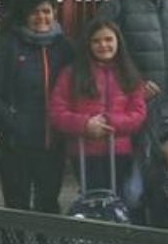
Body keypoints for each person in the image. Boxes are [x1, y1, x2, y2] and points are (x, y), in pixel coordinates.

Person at [0, 0, 73, 244]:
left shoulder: (64, 47)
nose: (42, 17)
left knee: (48, 207)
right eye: (35, 12)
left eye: (47, 10)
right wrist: (12, 125)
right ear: (24, 15)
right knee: (16, 209)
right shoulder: (10, 45)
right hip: (16, 146)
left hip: (52, 145)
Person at [48, 19, 149, 211]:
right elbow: (56, 111)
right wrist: (84, 124)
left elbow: (138, 112)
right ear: (88, 44)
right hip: (85, 150)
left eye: (109, 39)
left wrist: (112, 122)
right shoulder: (71, 73)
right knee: (93, 199)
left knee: (120, 199)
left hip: (120, 149)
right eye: (96, 41)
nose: (103, 45)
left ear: (118, 41)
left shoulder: (128, 73)